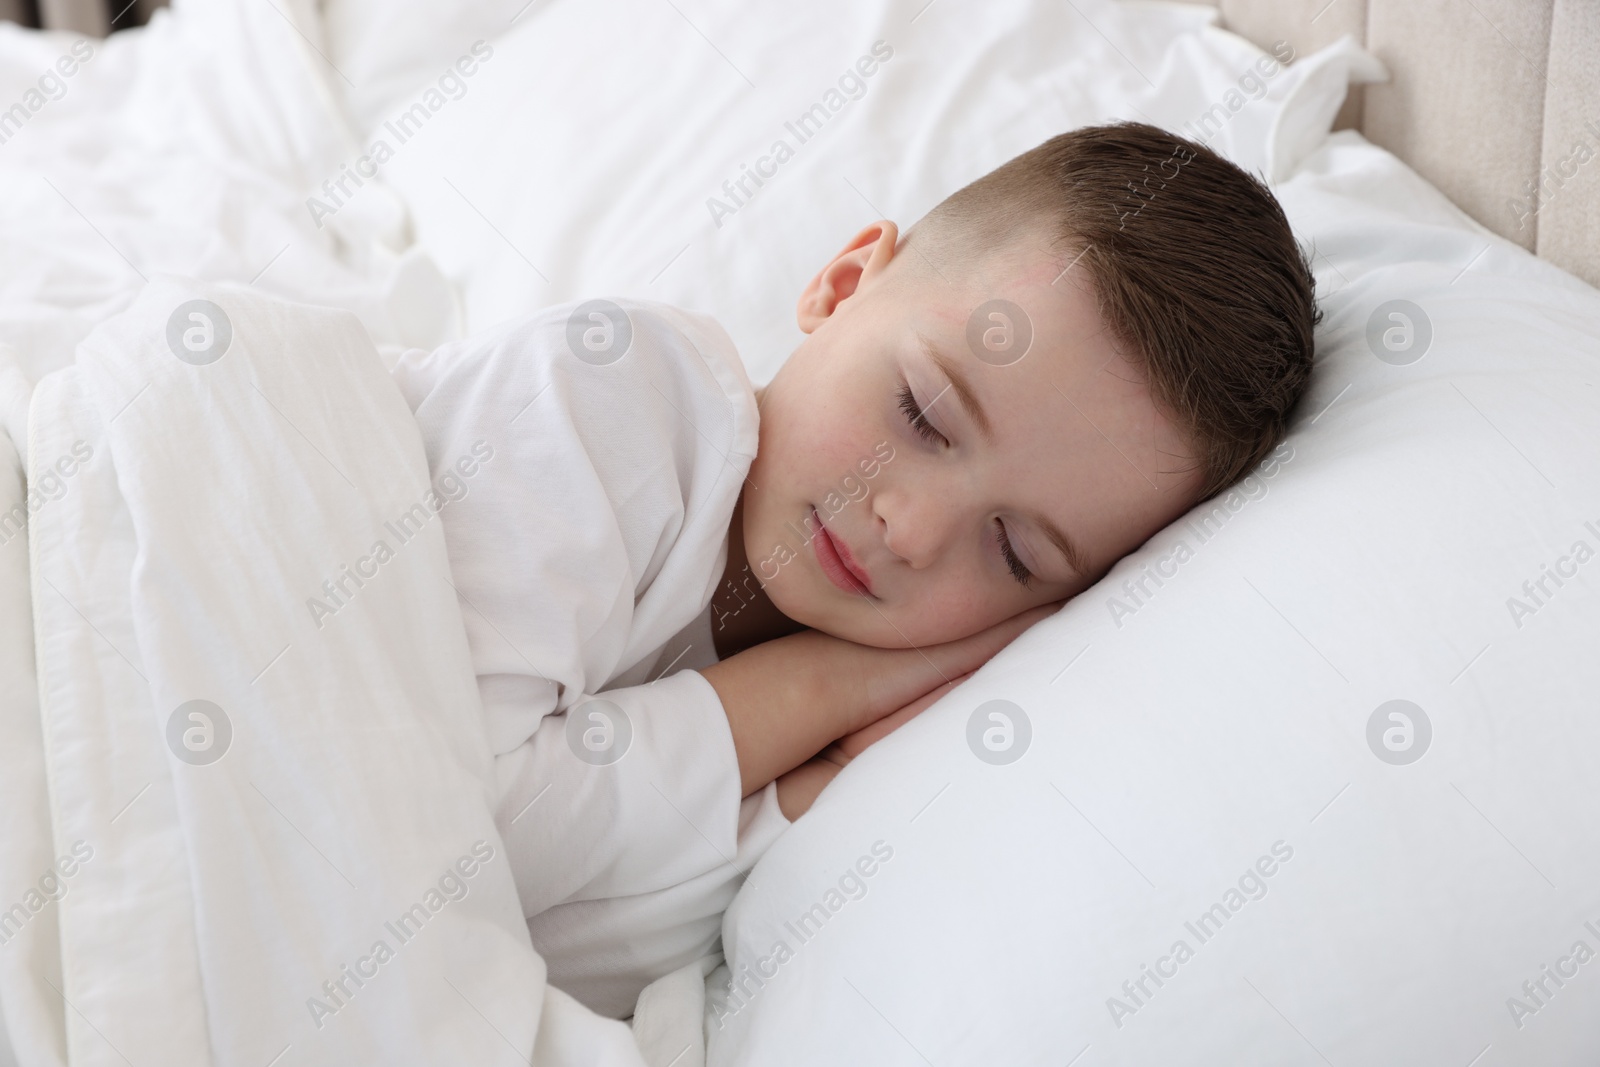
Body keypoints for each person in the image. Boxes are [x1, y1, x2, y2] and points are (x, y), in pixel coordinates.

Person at [392, 121, 1320, 1018]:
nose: (911, 528)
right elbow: (413, 831)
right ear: (841, 286)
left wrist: (820, 765)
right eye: (923, 413)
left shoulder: (857, 777)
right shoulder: (614, 393)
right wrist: (826, 685)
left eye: (1013, 550)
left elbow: (522, 962)